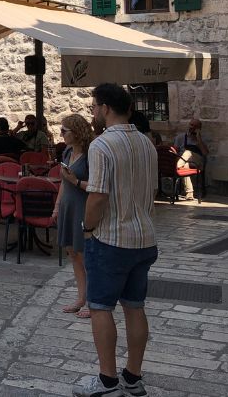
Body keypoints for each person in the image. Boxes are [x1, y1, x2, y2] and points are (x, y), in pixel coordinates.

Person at [75, 84, 158, 397]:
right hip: (144, 238)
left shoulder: (102, 146)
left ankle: (108, 381)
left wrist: (87, 228)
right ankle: (133, 377)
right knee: (135, 308)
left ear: (106, 107)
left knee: (100, 307)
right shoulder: (146, 143)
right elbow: (150, 192)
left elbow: (97, 196)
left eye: (95, 106)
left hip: (111, 238)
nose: (93, 112)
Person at [52, 114, 92, 320]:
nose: (61, 134)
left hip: (83, 207)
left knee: (85, 255)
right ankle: (81, 297)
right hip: (68, 205)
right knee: (73, 253)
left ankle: (94, 302)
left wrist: (76, 181)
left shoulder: (90, 154)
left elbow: (96, 186)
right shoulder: (68, 151)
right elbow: (63, 181)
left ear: (76, 132)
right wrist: (57, 207)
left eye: (64, 131)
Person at [173, 118, 207, 200]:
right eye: (191, 125)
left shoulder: (201, 139)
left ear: (199, 128)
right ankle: (189, 193)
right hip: (185, 161)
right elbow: (175, 151)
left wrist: (198, 139)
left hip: (197, 162)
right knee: (184, 166)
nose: (192, 127)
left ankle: (178, 165)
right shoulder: (180, 137)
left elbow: (205, 153)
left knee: (188, 152)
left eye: (195, 126)